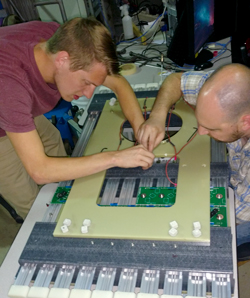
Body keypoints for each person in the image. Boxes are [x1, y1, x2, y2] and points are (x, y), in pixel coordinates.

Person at [0, 17, 155, 219]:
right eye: (86, 82)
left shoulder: (64, 41)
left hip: (14, 102)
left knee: (53, 144)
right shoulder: (11, 85)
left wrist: (139, 128)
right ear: (62, 60)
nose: (89, 94)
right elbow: (39, 170)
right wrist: (116, 157)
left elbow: (118, 84)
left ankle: (65, 199)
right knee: (37, 210)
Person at [137, 63, 250, 245]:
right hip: (239, 177)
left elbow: (233, 215)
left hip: (246, 214)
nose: (200, 132)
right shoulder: (223, 92)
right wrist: (157, 115)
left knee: (213, 240)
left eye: (211, 127)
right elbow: (176, 80)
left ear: (246, 123)